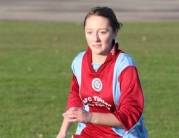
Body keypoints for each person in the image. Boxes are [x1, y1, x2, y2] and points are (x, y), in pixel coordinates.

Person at [56, 6, 148, 138]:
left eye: (102, 32)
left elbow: (131, 114)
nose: (95, 39)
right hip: (87, 133)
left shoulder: (124, 64)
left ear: (114, 32)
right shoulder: (79, 61)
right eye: (89, 32)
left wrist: (90, 116)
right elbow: (75, 98)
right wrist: (62, 132)